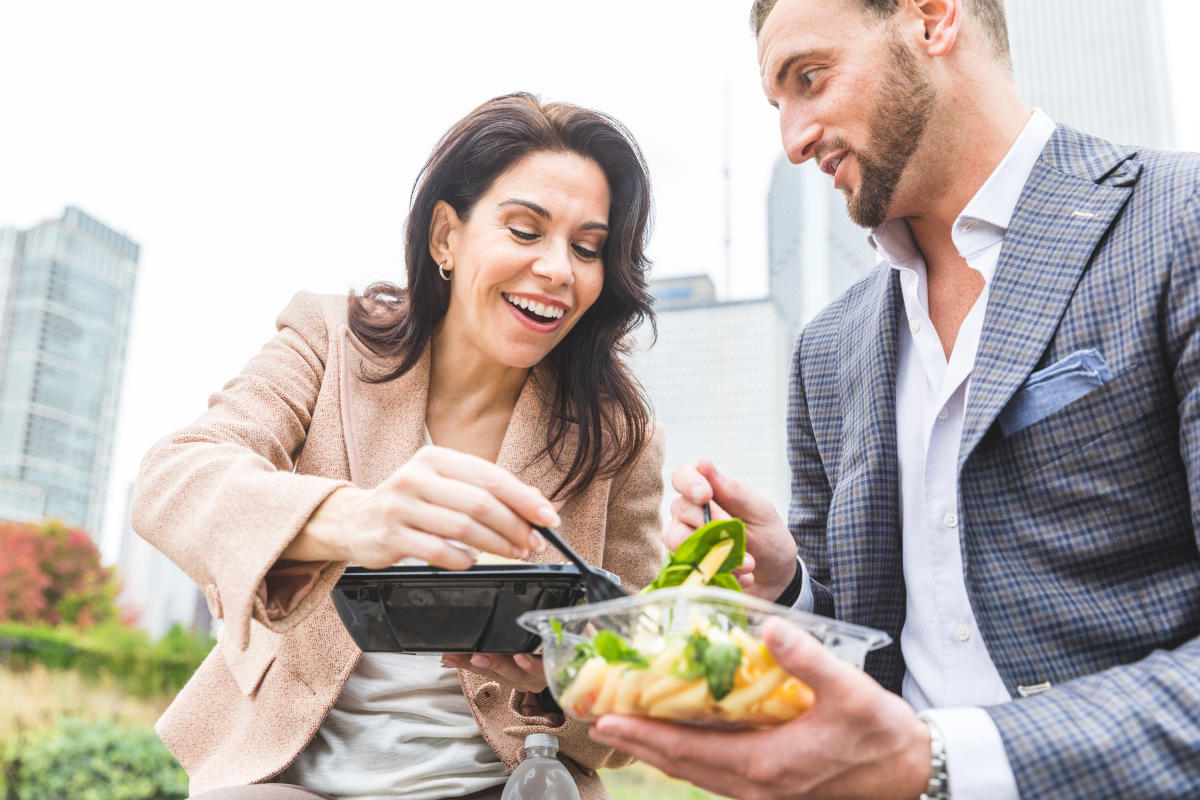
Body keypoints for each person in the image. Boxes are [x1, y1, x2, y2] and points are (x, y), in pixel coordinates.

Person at [587, 0, 1200, 798]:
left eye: (810, 78)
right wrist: (787, 585)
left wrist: (936, 758)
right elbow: (869, 641)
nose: (794, 138)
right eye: (780, 105)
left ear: (933, 19)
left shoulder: (1178, 222)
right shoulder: (828, 348)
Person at [131, 92, 666, 800]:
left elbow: (635, 707)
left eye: (587, 248)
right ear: (446, 236)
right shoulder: (328, 342)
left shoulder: (619, 434)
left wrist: (563, 679)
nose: (559, 270)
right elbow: (174, 478)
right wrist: (359, 519)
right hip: (287, 784)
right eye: (524, 230)